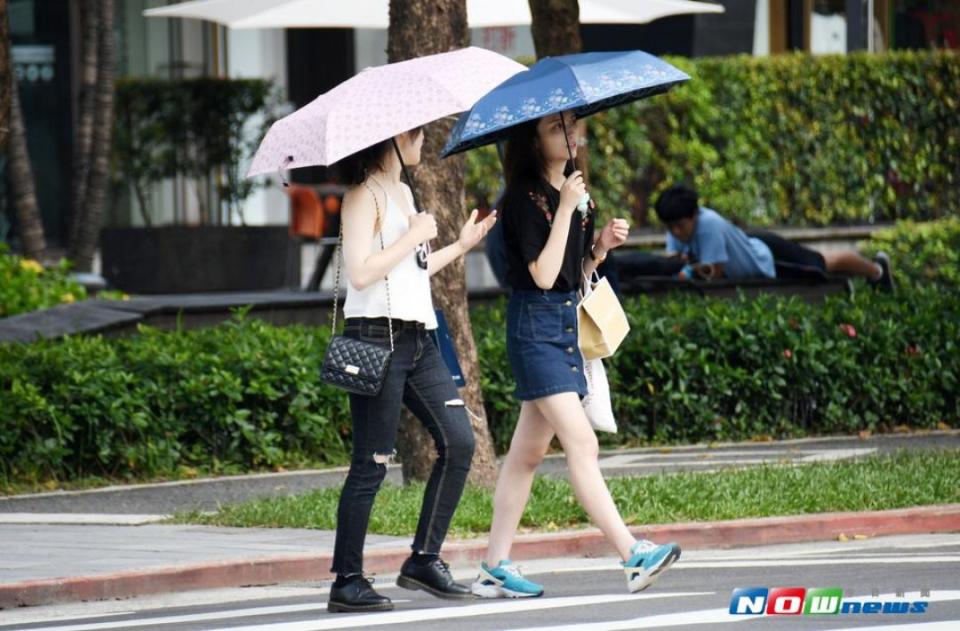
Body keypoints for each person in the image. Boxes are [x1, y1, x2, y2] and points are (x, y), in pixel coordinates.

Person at [471, 110, 681, 599]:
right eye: (555, 128)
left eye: (572, 125)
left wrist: (600, 247)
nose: (569, 135)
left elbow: (572, 269)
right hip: (535, 328)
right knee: (581, 445)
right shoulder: (525, 198)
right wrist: (565, 208)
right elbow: (541, 275)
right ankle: (632, 555)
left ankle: (493, 566)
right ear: (533, 140)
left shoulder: (575, 192)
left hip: (565, 323)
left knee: (526, 456)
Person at [327, 126, 497, 613]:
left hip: (419, 340)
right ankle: (347, 580)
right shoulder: (361, 196)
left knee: (459, 441)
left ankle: (424, 558)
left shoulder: (403, 191)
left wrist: (460, 245)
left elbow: (412, 271)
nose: (423, 140)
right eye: (417, 133)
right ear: (394, 137)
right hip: (375, 338)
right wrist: (413, 235)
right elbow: (360, 272)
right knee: (372, 464)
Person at [655, 185, 894, 290]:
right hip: (750, 247)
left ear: (693, 215)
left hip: (767, 255)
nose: (676, 232)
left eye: (679, 226)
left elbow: (713, 273)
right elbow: (674, 258)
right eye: (670, 227)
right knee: (821, 268)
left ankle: (877, 270)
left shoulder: (708, 226)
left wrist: (685, 268)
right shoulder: (678, 224)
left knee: (823, 263)